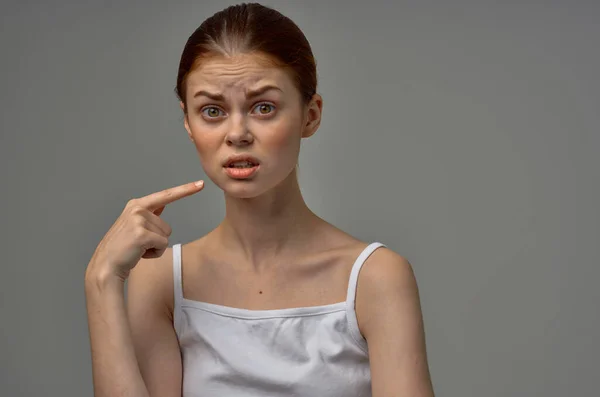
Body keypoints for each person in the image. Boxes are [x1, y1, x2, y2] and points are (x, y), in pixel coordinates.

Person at [84, 3, 435, 396]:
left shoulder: (376, 279)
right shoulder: (162, 279)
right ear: (188, 122)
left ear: (311, 115)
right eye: (212, 110)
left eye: (263, 107)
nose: (237, 134)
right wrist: (101, 281)